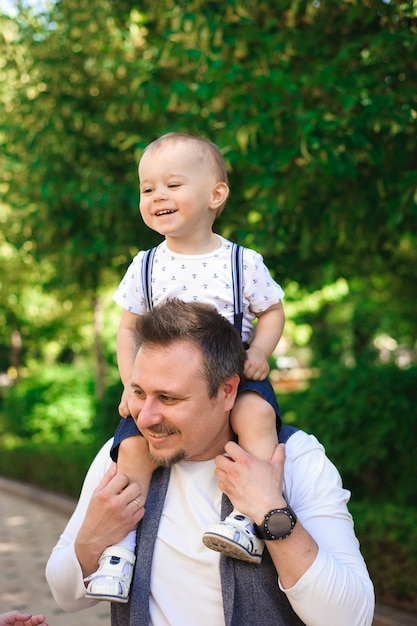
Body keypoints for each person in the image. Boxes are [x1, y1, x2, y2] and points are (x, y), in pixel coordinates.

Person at [46, 299, 375, 626]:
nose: (144, 417)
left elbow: (351, 617)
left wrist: (271, 510)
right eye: (139, 393)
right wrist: (93, 538)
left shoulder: (294, 457)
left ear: (228, 391)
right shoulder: (120, 456)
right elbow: (67, 597)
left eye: (169, 398)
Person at [84, 132, 287, 602]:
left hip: (232, 377)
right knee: (131, 449)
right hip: (164, 389)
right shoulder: (145, 264)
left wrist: (261, 352)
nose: (157, 196)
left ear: (216, 194)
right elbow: (126, 329)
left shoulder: (241, 261)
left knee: (256, 419)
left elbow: (273, 310)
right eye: (146, 188)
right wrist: (133, 382)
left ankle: (245, 517)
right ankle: (121, 551)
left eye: (172, 184)